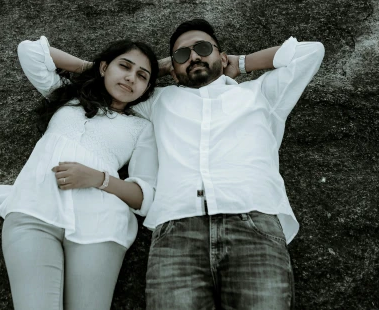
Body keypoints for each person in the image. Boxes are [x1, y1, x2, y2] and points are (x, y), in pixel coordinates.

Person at [131, 19, 325, 310]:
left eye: (203, 48)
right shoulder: (158, 101)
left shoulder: (261, 93)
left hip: (254, 224)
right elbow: (104, 87)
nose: (194, 57)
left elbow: (311, 52)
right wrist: (154, 67)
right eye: (182, 55)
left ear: (221, 56)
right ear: (173, 70)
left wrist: (243, 63)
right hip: (177, 232)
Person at [0, 36, 160, 310]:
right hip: (34, 210)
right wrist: (93, 67)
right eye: (125, 67)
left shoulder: (142, 128)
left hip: (100, 224)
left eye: (142, 76)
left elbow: (145, 198)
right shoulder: (67, 98)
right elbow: (31, 51)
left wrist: (98, 178)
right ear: (105, 67)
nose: (131, 78)